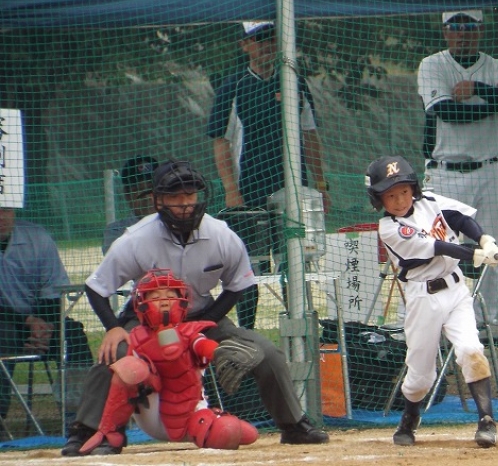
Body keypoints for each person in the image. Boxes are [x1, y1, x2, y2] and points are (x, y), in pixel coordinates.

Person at [61, 160, 329, 457]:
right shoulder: (137, 238)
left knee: (267, 352)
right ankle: (86, 432)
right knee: (114, 355)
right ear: (158, 200)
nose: (185, 203)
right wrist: (113, 328)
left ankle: (293, 426)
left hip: (202, 315)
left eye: (189, 195)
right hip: (146, 322)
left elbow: (238, 284)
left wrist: (206, 324)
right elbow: (97, 287)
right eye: (175, 197)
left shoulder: (220, 234)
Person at [365, 155, 498, 448]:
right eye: (390, 195)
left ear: (413, 188)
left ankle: (486, 420)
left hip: (455, 291)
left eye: (404, 191)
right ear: (379, 199)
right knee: (420, 376)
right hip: (422, 298)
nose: (400, 200)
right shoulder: (389, 228)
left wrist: (484, 240)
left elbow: (460, 219)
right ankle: (410, 417)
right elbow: (438, 247)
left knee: (471, 350)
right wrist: (474, 254)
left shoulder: (429, 202)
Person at [211, 21, 331, 328]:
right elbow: (220, 142)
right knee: (248, 266)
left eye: (270, 39)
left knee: (294, 262)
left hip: (292, 190)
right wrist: (231, 190)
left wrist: (320, 184)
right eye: (258, 39)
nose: (266, 45)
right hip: (248, 191)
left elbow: (310, 134)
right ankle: (246, 332)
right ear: (245, 45)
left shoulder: (294, 82)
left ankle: (298, 328)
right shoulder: (232, 87)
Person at [417, 10, 498, 325]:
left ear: (480, 30)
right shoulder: (432, 65)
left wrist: (477, 88)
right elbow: (448, 112)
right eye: (454, 26)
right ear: (445, 31)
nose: (462, 33)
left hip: (488, 170)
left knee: (492, 249)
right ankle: (446, 323)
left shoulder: (496, 66)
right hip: (445, 172)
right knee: (442, 251)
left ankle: (489, 322)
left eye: (468, 26)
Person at [79, 268, 258, 453]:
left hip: (191, 415)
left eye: (170, 296)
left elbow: (201, 345)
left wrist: (219, 353)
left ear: (182, 301)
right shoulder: (136, 337)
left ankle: (219, 421)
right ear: (141, 304)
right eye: (156, 297)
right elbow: (125, 380)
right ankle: (111, 434)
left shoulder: (190, 332)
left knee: (232, 431)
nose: (164, 301)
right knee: (131, 367)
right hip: (152, 414)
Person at [0, 207, 93, 419]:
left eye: (5, 210)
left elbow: (53, 291)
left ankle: (81, 416)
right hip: (6, 325)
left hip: (40, 323)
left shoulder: (38, 238)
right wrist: (26, 321)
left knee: (72, 334)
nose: (1, 217)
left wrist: (43, 327)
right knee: (3, 334)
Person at [102, 156, 159, 254]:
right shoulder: (116, 232)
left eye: (151, 188)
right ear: (127, 195)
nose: (147, 197)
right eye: (138, 190)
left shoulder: (173, 224)